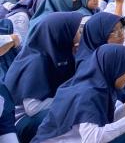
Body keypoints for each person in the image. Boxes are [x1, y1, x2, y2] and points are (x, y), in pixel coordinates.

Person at [32, 44, 125, 143]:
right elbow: (92, 138)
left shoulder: (100, 86)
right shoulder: (88, 93)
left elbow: (108, 121)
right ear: (112, 67)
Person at [4, 12, 83, 143]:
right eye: (78, 31)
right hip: (21, 121)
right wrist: (72, 97)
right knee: (70, 113)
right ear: (62, 32)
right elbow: (32, 108)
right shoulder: (36, 60)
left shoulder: (61, 53)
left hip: (40, 113)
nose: (81, 35)